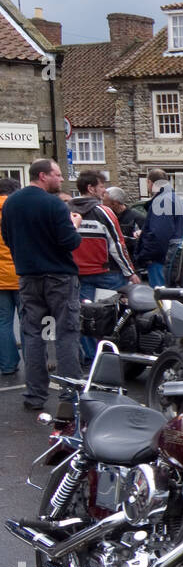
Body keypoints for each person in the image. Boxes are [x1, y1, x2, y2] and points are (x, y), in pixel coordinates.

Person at [0, 159, 83, 410]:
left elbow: (7, 236)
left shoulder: (12, 203)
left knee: (32, 335)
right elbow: (71, 242)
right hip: (59, 276)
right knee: (66, 334)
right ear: (43, 176)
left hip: (27, 276)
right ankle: (70, 395)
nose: (61, 179)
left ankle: (35, 395)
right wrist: (75, 225)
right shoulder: (54, 205)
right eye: (57, 175)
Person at [69, 169, 138, 363]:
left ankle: (92, 357)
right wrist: (130, 272)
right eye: (101, 186)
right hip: (105, 272)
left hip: (79, 273)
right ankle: (111, 353)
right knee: (112, 315)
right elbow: (117, 245)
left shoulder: (67, 210)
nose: (104, 190)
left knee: (86, 317)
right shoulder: (104, 212)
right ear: (91, 188)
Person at [136, 169, 183, 287]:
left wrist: (144, 256)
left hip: (161, 259)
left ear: (150, 183)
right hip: (171, 256)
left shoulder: (162, 200)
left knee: (162, 298)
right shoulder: (173, 197)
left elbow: (159, 235)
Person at [0, 177, 22, 375]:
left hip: (0, 278)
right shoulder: (20, 210)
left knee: (3, 323)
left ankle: (7, 364)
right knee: (29, 322)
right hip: (22, 273)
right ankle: (35, 364)